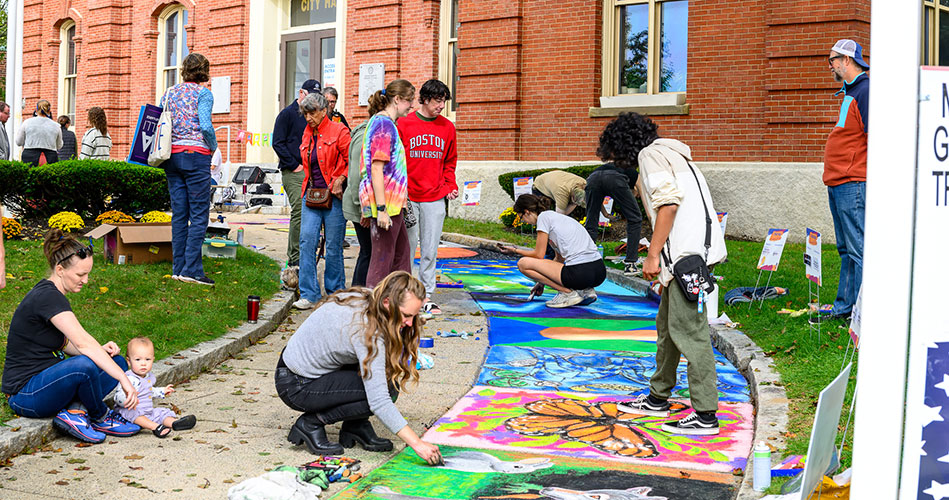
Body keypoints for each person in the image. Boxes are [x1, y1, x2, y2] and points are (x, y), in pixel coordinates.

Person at [611, 113, 727, 435]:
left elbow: (668, 206)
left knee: (691, 334)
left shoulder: (650, 156)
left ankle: (705, 415)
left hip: (687, 259)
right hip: (691, 256)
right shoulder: (675, 155)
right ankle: (657, 397)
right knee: (667, 326)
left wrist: (651, 256)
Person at [275, 271, 442, 464]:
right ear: (388, 302)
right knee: (386, 390)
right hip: (296, 384)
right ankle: (311, 423)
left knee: (384, 378)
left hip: (302, 370)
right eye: (406, 315)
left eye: (414, 316)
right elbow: (379, 401)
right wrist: (418, 445)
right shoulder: (367, 330)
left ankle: (355, 425)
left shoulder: (370, 299)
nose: (410, 323)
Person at [1, 229, 141, 443]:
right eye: (80, 275)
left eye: (88, 274)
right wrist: (124, 380)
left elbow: (67, 343)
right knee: (85, 365)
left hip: (48, 384)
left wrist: (102, 352)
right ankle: (100, 416)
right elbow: (83, 344)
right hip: (25, 395)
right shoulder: (47, 297)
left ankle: (75, 413)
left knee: (117, 362)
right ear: (59, 269)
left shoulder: (52, 295)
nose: (86, 280)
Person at [811, 39, 870, 325]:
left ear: (847, 60)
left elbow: (874, 138)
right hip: (838, 183)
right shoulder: (850, 92)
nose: (831, 65)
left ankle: (863, 312)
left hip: (853, 183)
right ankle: (844, 307)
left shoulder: (865, 91)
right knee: (846, 250)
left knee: (859, 250)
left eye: (833, 60)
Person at [397, 79, 458, 315]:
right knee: (408, 249)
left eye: (444, 101)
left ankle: (426, 295)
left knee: (430, 249)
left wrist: (449, 185)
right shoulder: (404, 123)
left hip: (434, 196)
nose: (441, 106)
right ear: (424, 99)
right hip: (409, 197)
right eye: (438, 101)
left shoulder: (447, 127)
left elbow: (450, 161)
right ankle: (405, 294)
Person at [161, 53, 218, 286]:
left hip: (172, 156)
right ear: (204, 71)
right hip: (196, 157)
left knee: (179, 214)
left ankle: (178, 267)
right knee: (198, 214)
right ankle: (192, 270)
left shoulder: (169, 92)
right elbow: (205, 125)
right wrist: (213, 146)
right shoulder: (204, 93)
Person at [292, 92, 351, 310]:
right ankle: (309, 294)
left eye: (312, 113)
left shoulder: (339, 130)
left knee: (334, 247)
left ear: (324, 111)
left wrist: (341, 178)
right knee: (307, 241)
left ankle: (335, 295)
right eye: (305, 113)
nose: (308, 117)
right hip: (311, 194)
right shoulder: (307, 133)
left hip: (333, 196)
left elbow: (351, 159)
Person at [497, 194, 606, 308]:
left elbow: (538, 255)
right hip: (599, 272)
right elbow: (559, 259)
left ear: (527, 211)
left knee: (523, 264)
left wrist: (515, 250)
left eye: (521, 217)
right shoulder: (557, 218)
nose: (523, 221)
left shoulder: (543, 218)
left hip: (580, 273)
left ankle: (567, 293)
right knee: (568, 267)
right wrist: (541, 282)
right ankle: (585, 290)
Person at [359, 79, 416, 288]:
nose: (412, 106)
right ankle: (373, 311)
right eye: (409, 100)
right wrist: (380, 209)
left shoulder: (382, 123)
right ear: (397, 99)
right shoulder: (383, 125)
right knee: (382, 262)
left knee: (401, 258)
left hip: (393, 203)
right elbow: (375, 168)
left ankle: (400, 305)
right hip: (387, 205)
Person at [273, 79, 322, 272]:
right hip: (294, 172)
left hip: (312, 172)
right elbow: (277, 143)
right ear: (301, 93)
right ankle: (294, 259)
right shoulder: (287, 114)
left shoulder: (314, 115)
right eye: (310, 96)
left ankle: (307, 253)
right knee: (300, 211)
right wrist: (294, 165)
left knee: (312, 211)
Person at [586, 127, 647, 276]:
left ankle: (585, 261)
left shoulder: (606, 167)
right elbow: (643, 192)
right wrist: (649, 214)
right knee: (635, 219)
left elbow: (600, 193)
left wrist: (605, 213)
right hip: (614, 179)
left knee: (591, 221)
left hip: (592, 178)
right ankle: (631, 264)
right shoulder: (632, 171)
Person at [114, 337, 196, 438]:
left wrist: (162, 391)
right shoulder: (129, 378)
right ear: (129, 361)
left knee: (160, 413)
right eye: (138, 360)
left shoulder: (148, 377)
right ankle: (155, 427)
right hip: (130, 410)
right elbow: (117, 396)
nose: (143, 363)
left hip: (147, 411)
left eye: (147, 359)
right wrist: (126, 399)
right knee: (135, 414)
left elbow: (149, 391)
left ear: (153, 359)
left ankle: (175, 423)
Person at [343, 110, 375, 287]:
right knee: (368, 251)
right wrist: (364, 208)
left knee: (369, 251)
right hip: (361, 205)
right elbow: (356, 176)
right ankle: (358, 293)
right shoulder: (364, 134)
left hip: (367, 204)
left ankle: (361, 292)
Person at [15, 100, 62, 166]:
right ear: (49, 111)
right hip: (50, 157)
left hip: (29, 156)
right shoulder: (56, 126)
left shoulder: (27, 123)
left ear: (36, 110)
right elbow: (59, 145)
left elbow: (18, 142)